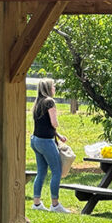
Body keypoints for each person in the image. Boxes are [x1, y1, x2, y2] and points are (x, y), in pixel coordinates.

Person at [30, 79, 70, 213]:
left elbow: (44, 124)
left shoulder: (38, 102)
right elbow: (53, 123)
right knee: (56, 171)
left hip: (35, 140)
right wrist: (56, 122)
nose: (54, 88)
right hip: (46, 142)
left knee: (41, 172)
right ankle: (55, 204)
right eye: (53, 86)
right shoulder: (49, 102)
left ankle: (36, 203)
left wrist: (58, 136)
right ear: (48, 88)